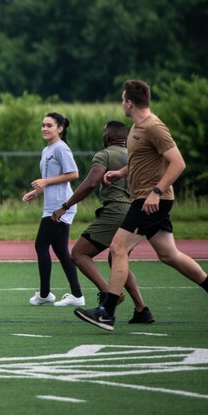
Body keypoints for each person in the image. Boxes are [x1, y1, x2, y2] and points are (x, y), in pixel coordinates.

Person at [76, 79, 208, 331]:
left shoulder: (153, 127)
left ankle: (107, 311)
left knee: (118, 248)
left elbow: (178, 163)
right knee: (169, 254)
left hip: (150, 201)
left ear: (129, 102)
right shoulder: (137, 127)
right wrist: (121, 173)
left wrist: (156, 192)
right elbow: (143, 161)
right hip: (146, 199)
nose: (121, 103)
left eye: (122, 99)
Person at [51, 121, 152, 323]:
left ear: (107, 137)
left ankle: (108, 296)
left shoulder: (104, 155)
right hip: (136, 210)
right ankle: (142, 310)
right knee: (118, 260)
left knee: (79, 253)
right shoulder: (133, 155)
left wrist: (66, 205)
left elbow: (91, 183)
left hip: (115, 211)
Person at [22, 112, 84, 307]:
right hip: (51, 205)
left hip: (60, 206)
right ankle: (76, 295)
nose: (44, 129)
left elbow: (74, 174)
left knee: (41, 245)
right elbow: (50, 179)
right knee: (60, 249)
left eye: (49, 125)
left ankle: (45, 294)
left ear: (60, 128)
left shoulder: (61, 148)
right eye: (43, 125)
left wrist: (45, 182)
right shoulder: (46, 150)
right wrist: (37, 192)